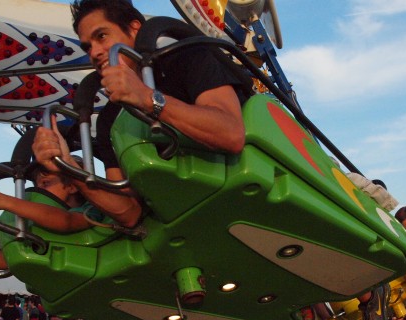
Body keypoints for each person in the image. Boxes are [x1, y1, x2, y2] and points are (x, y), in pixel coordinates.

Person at [32, 0, 249, 229]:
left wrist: (147, 98)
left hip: (240, 191)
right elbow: (128, 212)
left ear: (135, 28)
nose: (94, 52)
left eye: (102, 36)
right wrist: (68, 166)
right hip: (195, 220)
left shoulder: (187, 58)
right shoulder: (111, 120)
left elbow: (231, 134)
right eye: (87, 47)